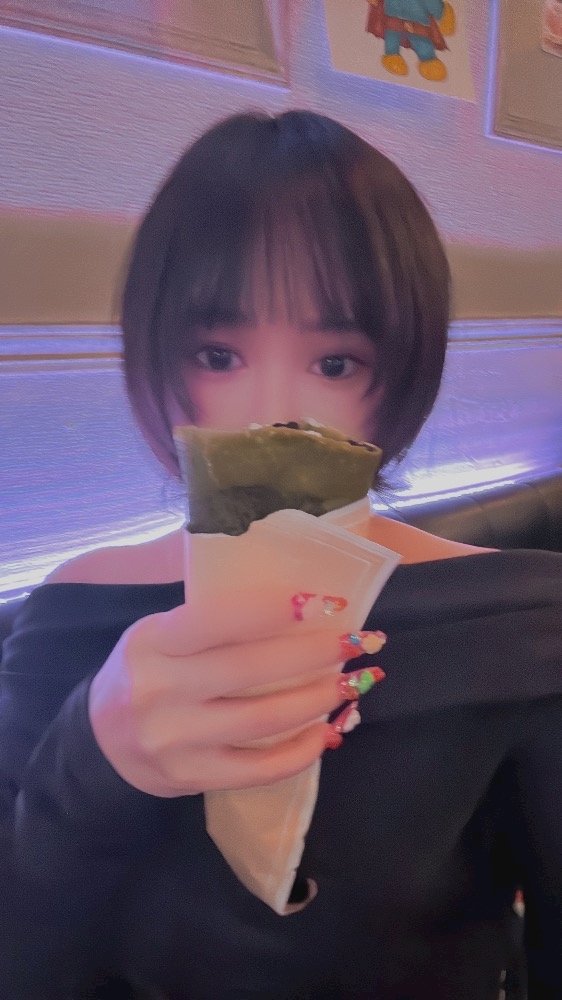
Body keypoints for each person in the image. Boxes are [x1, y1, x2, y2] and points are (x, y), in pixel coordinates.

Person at [1, 110, 561, 1000]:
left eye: (335, 364)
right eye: (217, 354)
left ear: (401, 374)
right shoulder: (71, 613)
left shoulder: (516, 623)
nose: (272, 414)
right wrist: (93, 755)